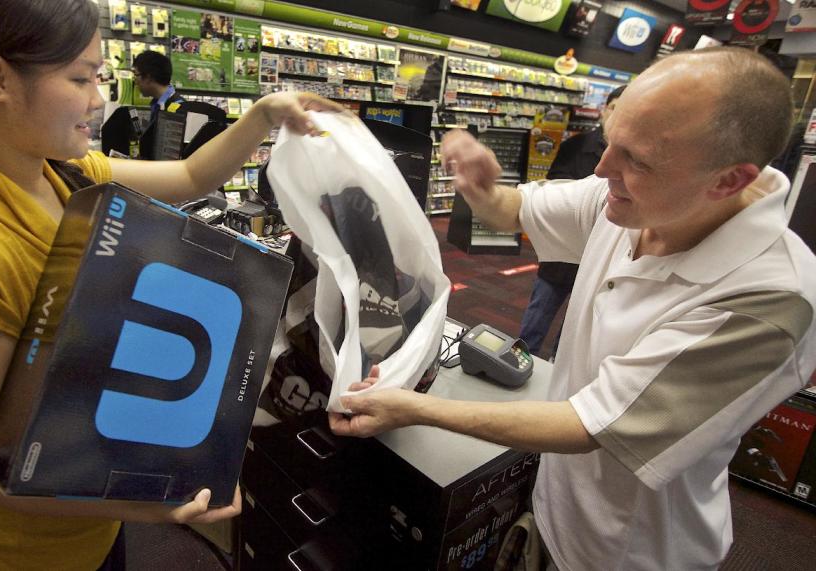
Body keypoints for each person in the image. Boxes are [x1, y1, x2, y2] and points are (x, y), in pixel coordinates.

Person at [0, 1, 343, 570]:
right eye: (80, 77)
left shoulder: (58, 170)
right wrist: (153, 506)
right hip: (4, 553)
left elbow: (190, 176)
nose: (99, 99)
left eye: (98, 76)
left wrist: (265, 114)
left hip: (85, 523)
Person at [330, 47, 816, 570]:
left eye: (637, 160)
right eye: (612, 142)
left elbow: (593, 426)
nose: (604, 167)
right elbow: (515, 209)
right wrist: (479, 184)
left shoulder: (770, 301)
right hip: (558, 507)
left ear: (727, 181)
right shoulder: (633, 197)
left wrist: (414, 408)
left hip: (631, 552)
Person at [518, 85, 624, 357]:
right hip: (560, 257)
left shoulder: (631, 151)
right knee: (539, 312)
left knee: (577, 324)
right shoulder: (575, 145)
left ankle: (557, 360)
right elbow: (554, 188)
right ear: (604, 109)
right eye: (614, 107)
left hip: (598, 256)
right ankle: (520, 355)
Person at [132, 50, 183, 125]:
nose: (135, 81)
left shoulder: (178, 109)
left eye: (136, 75)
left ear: (148, 78)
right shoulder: (157, 104)